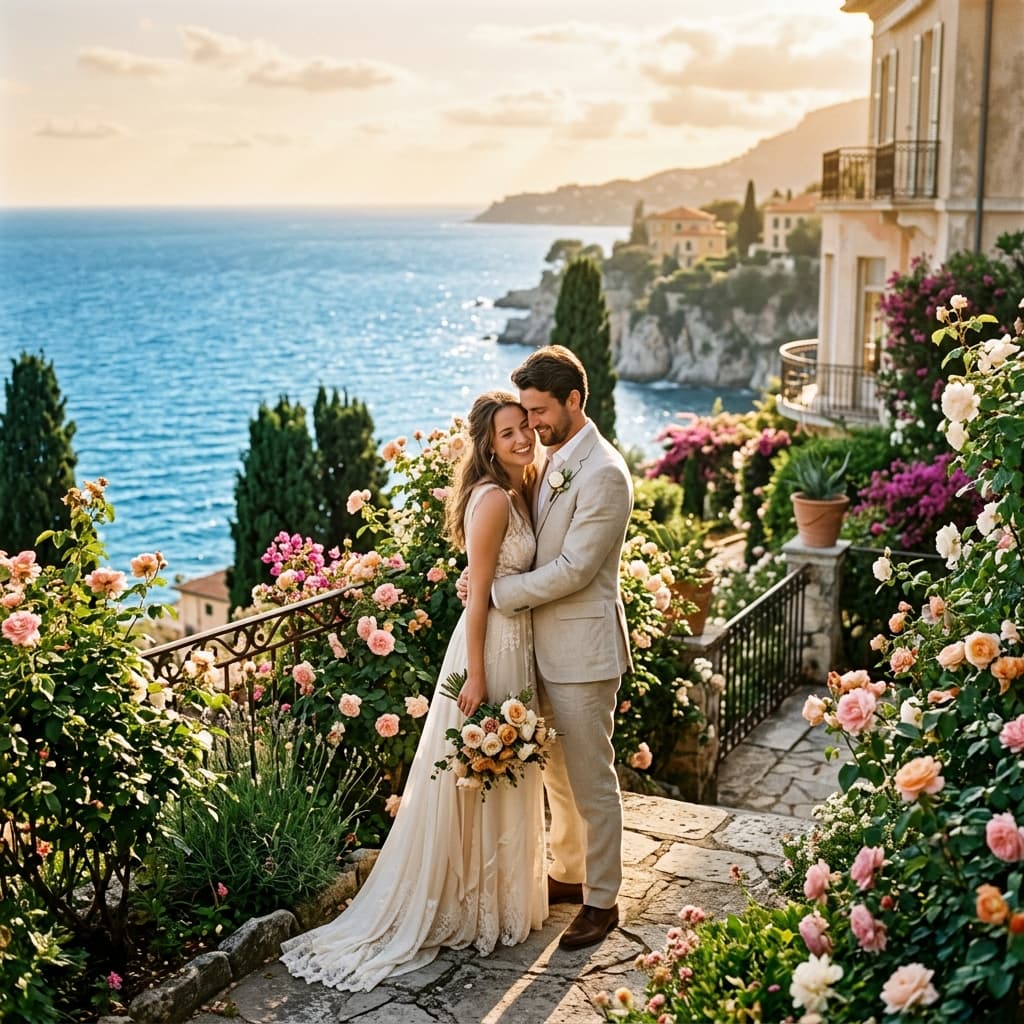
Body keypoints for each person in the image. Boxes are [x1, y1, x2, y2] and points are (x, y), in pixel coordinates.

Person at [280, 391, 547, 992]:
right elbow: (478, 595)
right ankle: (468, 901)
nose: (522, 439)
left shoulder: (518, 490)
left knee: (499, 769)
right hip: (490, 649)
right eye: (508, 433)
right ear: (487, 444)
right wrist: (477, 675)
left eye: (525, 428)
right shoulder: (494, 501)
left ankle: (498, 897)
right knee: (480, 771)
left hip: (515, 644)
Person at [463, 344, 634, 951]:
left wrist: (497, 592)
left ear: (574, 400)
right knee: (558, 777)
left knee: (592, 779)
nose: (532, 425)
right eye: (525, 415)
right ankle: (569, 873)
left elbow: (574, 569)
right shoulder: (556, 459)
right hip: (542, 649)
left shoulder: (605, 473)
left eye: (539, 412)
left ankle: (603, 900)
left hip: (585, 654)